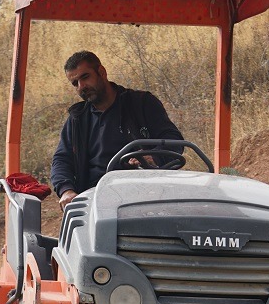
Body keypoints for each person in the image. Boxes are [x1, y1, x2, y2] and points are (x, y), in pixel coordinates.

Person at [50, 50, 183, 204]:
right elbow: (61, 159)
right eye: (75, 83)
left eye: (85, 77)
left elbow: (173, 140)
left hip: (145, 191)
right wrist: (66, 190)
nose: (81, 86)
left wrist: (154, 156)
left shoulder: (142, 103)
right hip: (94, 197)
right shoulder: (77, 119)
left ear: (102, 72)